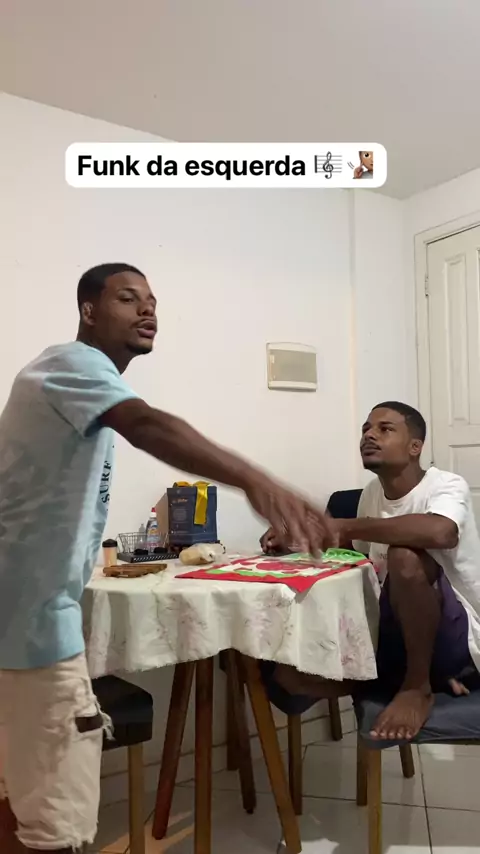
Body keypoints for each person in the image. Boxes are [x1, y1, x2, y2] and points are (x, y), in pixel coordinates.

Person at [0, 262, 334, 854]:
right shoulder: (73, 364)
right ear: (88, 311)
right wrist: (255, 479)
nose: (147, 309)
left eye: (152, 301)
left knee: (20, 795)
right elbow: (147, 423)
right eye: (128, 299)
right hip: (32, 627)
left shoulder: (79, 386)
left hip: (20, 618)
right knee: (55, 828)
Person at [260, 401, 480, 742]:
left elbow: (442, 532)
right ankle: (399, 680)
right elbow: (355, 555)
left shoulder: (447, 485)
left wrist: (342, 525)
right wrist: (297, 540)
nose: (369, 436)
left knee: (404, 556)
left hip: (454, 636)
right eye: (365, 429)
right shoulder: (372, 494)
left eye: (384, 429)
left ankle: (417, 686)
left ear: (415, 446)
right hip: (397, 627)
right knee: (287, 677)